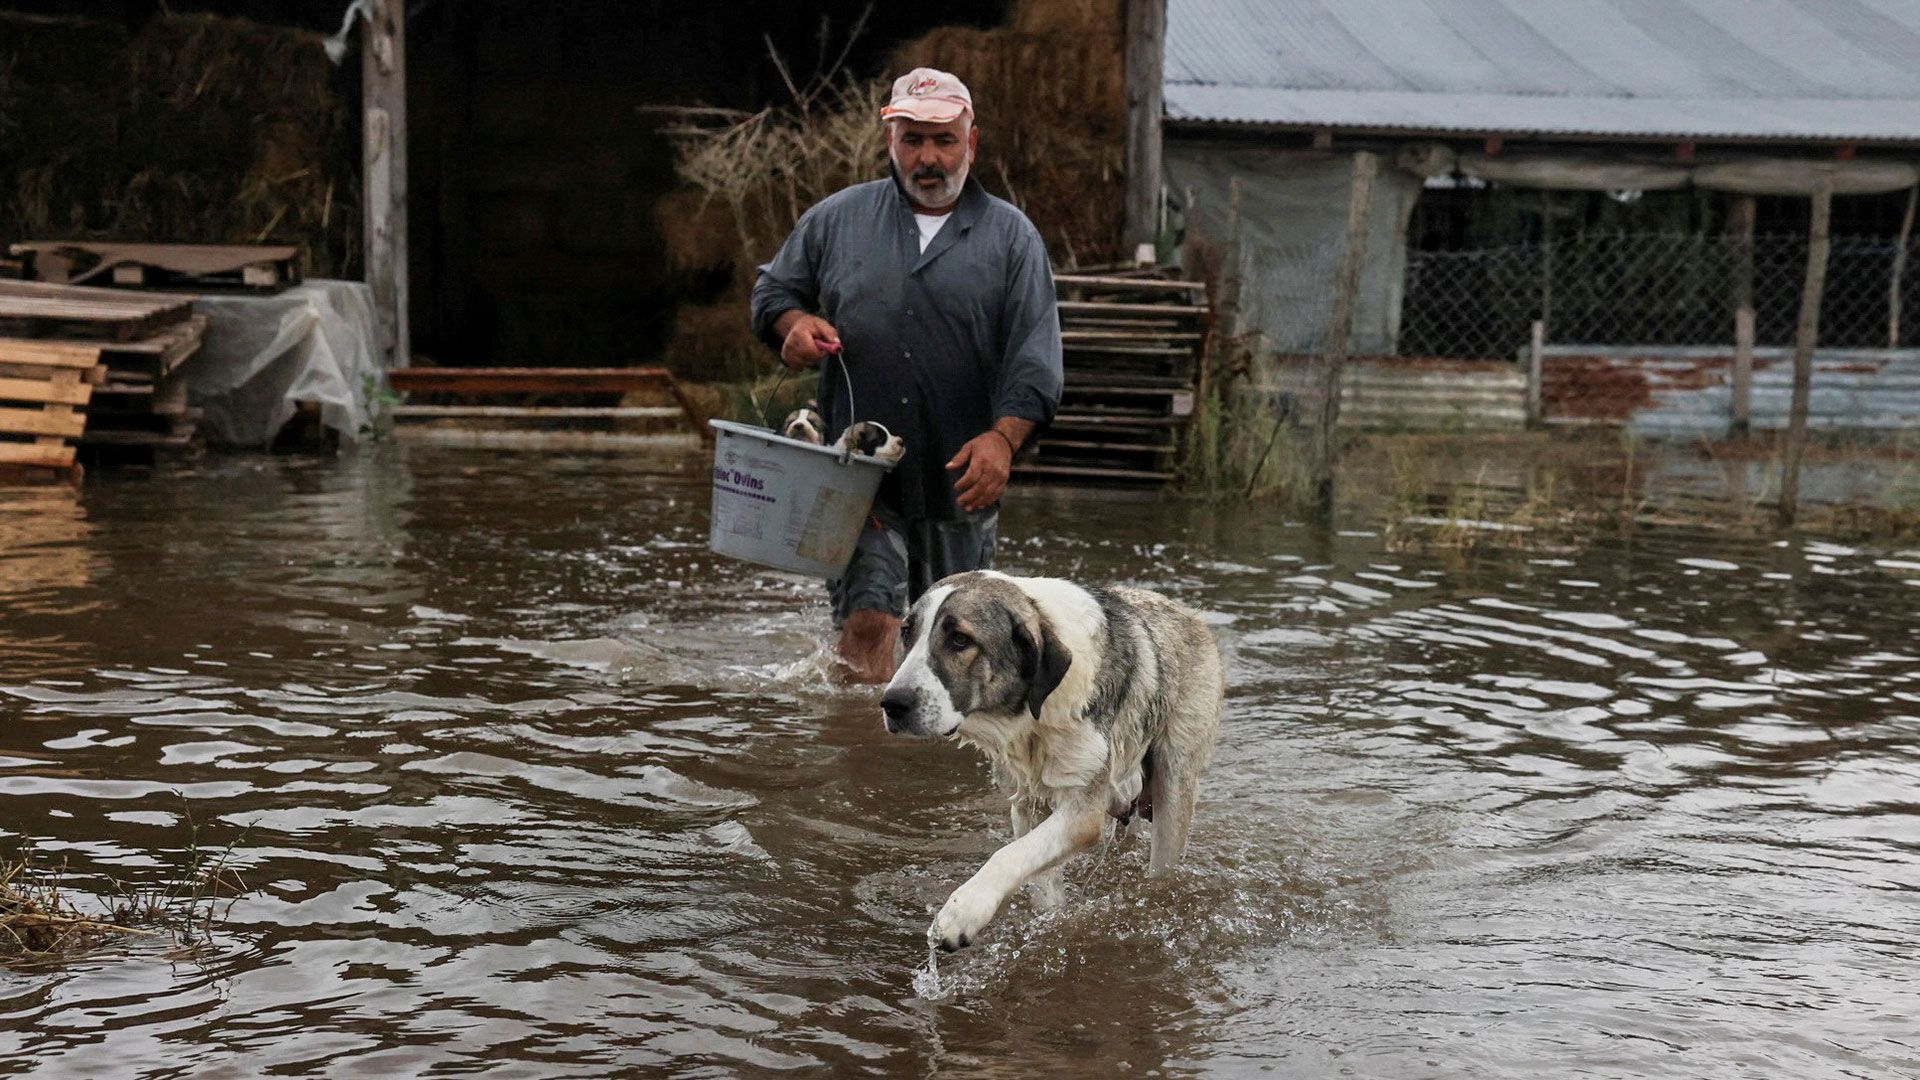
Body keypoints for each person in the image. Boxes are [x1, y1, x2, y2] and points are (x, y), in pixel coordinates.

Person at [750, 66, 1063, 684]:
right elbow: (773, 291)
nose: (928, 157)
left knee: (955, 653)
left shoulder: (1012, 239)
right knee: (869, 624)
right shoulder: (837, 219)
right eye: (912, 139)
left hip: (959, 481)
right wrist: (791, 324)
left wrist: (1004, 439)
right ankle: (865, 769)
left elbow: (1035, 357)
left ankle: (923, 770)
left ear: (970, 143)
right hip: (857, 475)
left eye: (944, 140)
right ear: (889, 140)